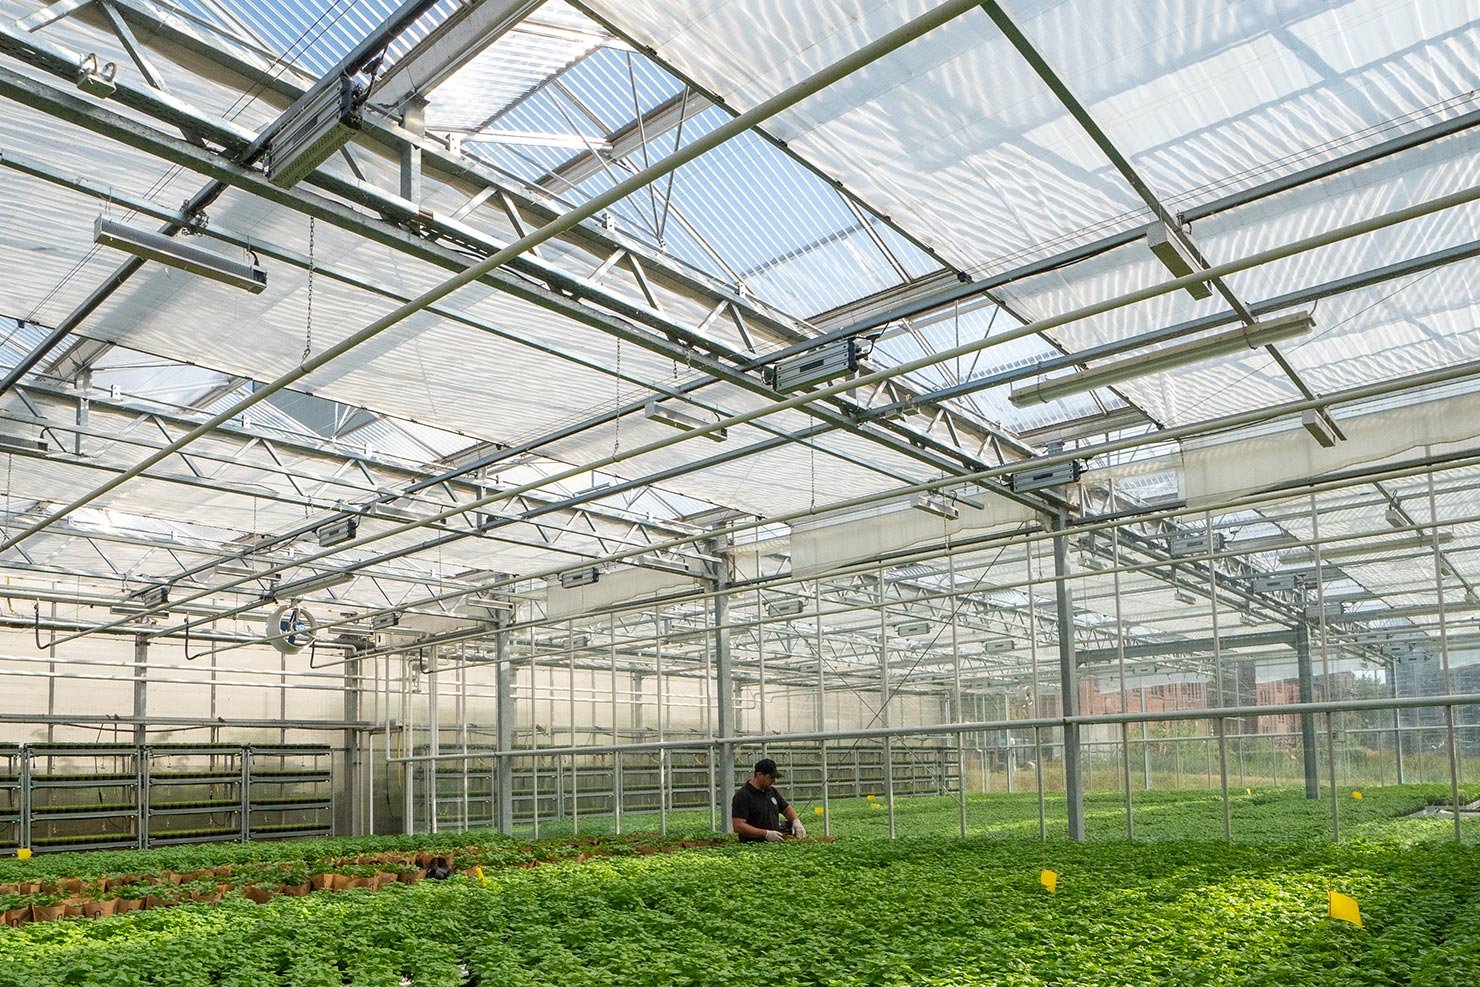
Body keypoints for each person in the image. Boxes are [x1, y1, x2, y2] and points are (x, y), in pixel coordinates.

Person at [731, 757, 806, 842]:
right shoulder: (743, 795)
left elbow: (786, 809)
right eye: (771, 777)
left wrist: (796, 821)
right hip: (752, 847)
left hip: (774, 845)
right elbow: (738, 825)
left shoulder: (771, 791)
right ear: (759, 774)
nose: (774, 781)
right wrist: (766, 834)